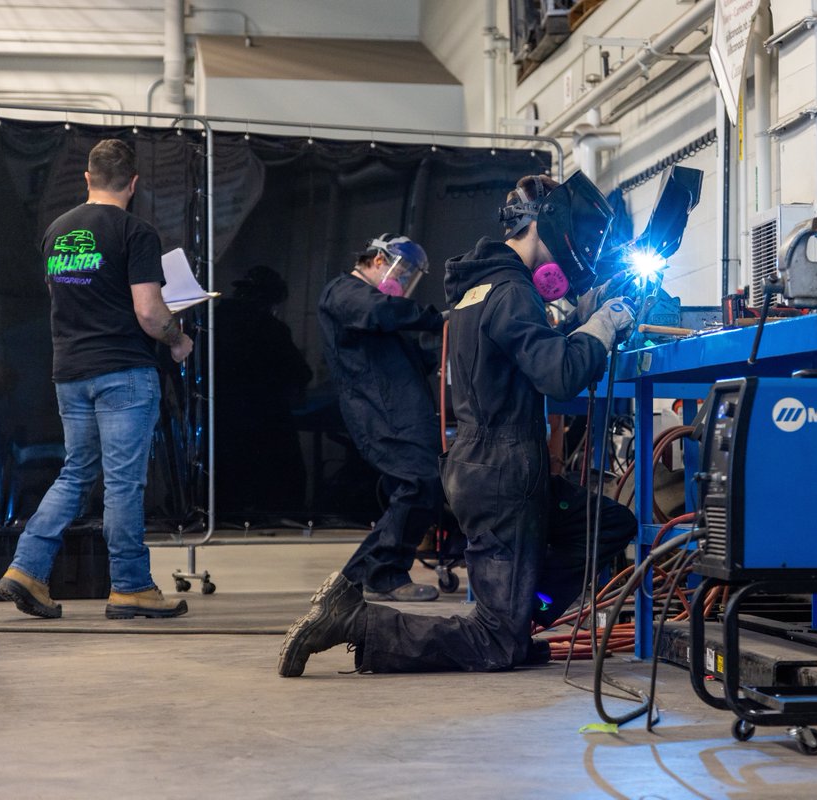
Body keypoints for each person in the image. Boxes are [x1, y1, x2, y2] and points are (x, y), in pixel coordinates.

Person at [278, 171, 638, 676]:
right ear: (545, 225)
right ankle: (359, 622)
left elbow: (522, 349)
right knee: (494, 644)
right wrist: (600, 328)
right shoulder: (511, 291)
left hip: (491, 466)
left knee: (609, 524)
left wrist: (575, 320)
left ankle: (521, 617)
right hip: (502, 475)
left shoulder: (481, 288)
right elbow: (559, 375)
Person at [0, 138, 194, 620]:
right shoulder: (136, 232)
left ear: (87, 178)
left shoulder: (56, 233)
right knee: (124, 483)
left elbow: (68, 301)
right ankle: (130, 587)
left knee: (77, 473)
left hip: (70, 372)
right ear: (134, 183)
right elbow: (149, 312)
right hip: (122, 371)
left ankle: (25, 569)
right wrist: (177, 339)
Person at [318, 233, 444, 602]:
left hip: (400, 410)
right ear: (377, 261)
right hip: (379, 413)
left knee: (419, 487)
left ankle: (377, 572)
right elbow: (377, 312)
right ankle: (370, 574)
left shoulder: (381, 306)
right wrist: (435, 319)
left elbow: (413, 356)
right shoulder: (345, 293)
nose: (403, 282)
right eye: (401, 272)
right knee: (420, 483)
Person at [213, 265, 313, 519]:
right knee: (283, 481)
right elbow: (300, 373)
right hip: (266, 418)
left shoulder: (212, 322)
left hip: (219, 418)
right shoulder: (271, 328)